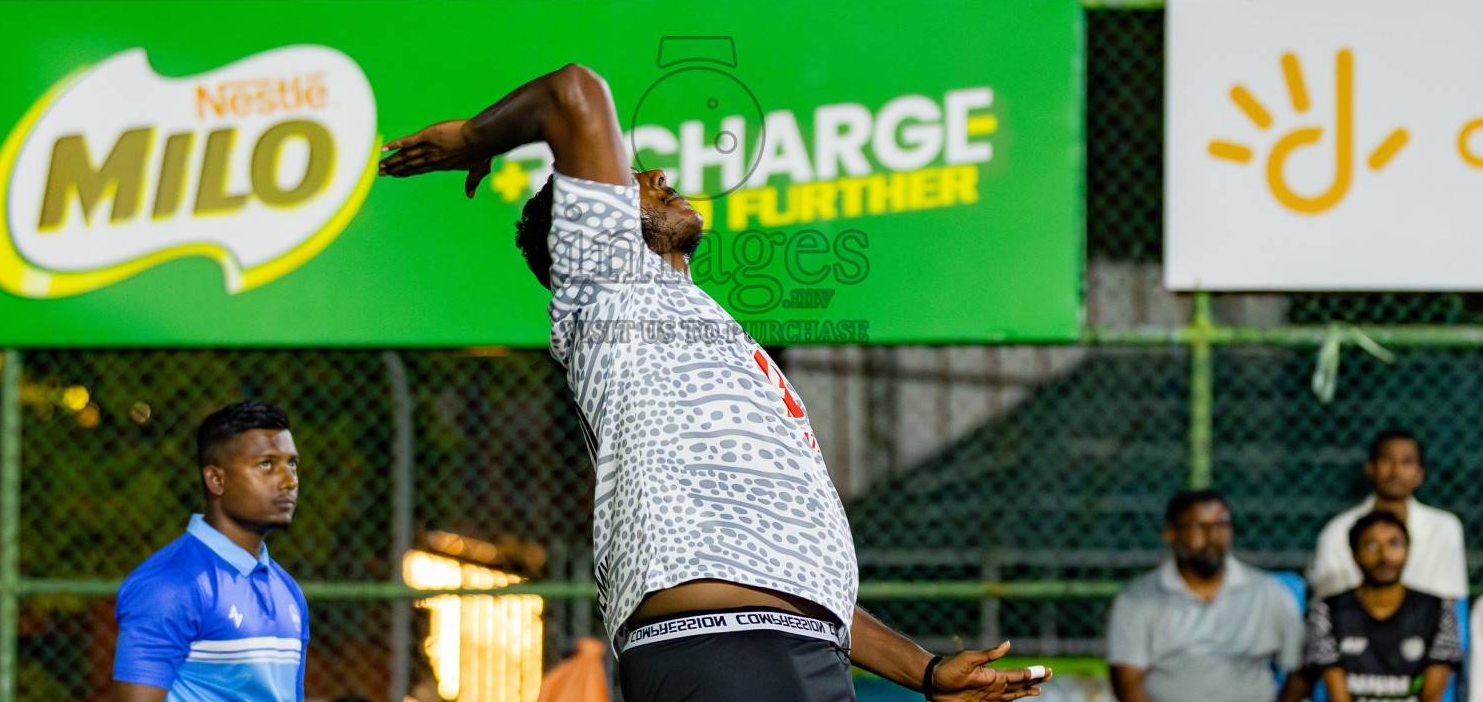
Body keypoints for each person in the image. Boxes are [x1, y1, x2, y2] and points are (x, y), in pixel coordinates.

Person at [380, 63, 1051, 702]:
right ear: (586, 229)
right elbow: (572, 92)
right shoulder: (607, 287)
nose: (660, 175)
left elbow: (790, 573)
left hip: (802, 653)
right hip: (717, 650)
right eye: (635, 181)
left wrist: (927, 671)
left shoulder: (715, 331)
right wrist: (475, 138)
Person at [112, 402, 307, 702]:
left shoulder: (288, 590)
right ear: (216, 480)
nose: (289, 481)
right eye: (267, 464)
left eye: (291, 464)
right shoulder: (170, 584)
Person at [1106, 488, 1304, 702]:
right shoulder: (1137, 599)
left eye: (1222, 525)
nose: (1212, 536)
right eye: (1198, 526)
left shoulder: (1267, 592)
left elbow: (1302, 668)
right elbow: (1127, 683)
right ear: (1170, 534)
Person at [1301, 510, 1463, 702]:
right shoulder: (1326, 610)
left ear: (1408, 550)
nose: (1384, 556)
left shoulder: (1440, 609)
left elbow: (1432, 696)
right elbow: (1338, 696)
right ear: (1354, 553)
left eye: (1394, 544)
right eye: (1371, 545)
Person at [1307, 429, 1467, 602]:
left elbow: (1451, 601)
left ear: (1420, 474)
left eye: (1406, 462)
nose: (1395, 470)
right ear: (1370, 468)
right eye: (1387, 460)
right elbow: (1329, 603)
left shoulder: (1444, 528)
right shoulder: (1338, 531)